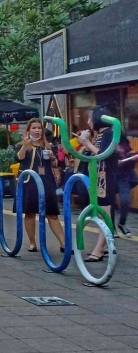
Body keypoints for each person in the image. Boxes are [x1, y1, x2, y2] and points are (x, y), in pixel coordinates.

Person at [14, 118, 67, 253]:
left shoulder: (47, 145)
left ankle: (63, 243)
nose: (37, 130)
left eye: (39, 128)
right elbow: (18, 158)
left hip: (46, 181)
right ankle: (32, 243)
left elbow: (55, 165)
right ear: (28, 130)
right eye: (34, 128)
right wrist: (26, 145)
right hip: (29, 182)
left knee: (52, 213)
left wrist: (53, 159)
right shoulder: (23, 144)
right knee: (30, 213)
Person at [78, 107, 120, 261]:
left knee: (105, 215)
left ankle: (99, 250)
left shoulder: (109, 133)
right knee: (102, 213)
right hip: (99, 179)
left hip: (105, 178)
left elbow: (103, 154)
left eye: (90, 119)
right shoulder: (102, 134)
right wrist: (86, 143)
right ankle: (103, 247)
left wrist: (87, 142)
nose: (88, 122)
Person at [115, 134, 137, 236]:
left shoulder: (124, 143)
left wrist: (131, 158)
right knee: (109, 203)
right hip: (110, 175)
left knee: (125, 200)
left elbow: (128, 155)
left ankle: (122, 223)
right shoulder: (106, 139)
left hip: (123, 175)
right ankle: (111, 227)